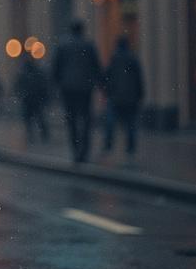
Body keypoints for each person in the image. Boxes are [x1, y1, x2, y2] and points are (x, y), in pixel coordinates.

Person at [52, 20, 102, 163]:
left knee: (71, 119)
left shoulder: (62, 46)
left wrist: (56, 84)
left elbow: (56, 67)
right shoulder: (89, 45)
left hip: (68, 88)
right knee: (86, 118)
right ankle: (84, 150)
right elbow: (96, 66)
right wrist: (100, 83)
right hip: (85, 87)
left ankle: (75, 149)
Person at [103, 36, 144, 157]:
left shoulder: (114, 59)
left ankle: (108, 145)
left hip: (115, 97)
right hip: (131, 98)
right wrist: (140, 94)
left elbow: (107, 76)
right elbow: (139, 79)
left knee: (110, 123)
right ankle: (130, 148)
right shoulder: (133, 59)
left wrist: (107, 91)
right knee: (131, 124)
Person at [13, 53, 50, 145]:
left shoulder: (29, 71)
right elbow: (18, 85)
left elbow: (43, 85)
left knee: (37, 118)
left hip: (33, 98)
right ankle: (35, 134)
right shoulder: (29, 71)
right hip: (30, 98)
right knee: (32, 118)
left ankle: (42, 134)